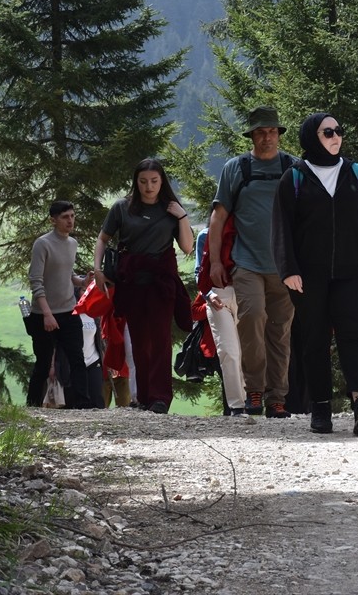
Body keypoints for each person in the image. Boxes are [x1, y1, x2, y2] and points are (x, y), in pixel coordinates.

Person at [272, 113, 358, 436]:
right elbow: (281, 228)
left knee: (353, 334)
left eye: (339, 131)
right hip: (307, 276)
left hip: (353, 273)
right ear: (312, 137)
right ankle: (321, 409)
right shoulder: (295, 177)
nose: (336, 136)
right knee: (314, 339)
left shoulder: (356, 173)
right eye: (328, 132)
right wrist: (288, 270)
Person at [205, 106, 299, 418]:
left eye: (272, 131)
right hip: (246, 262)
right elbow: (217, 219)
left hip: (286, 266)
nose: (267, 137)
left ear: (279, 134)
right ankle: (254, 390)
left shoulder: (293, 167)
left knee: (280, 330)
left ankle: (277, 398)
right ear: (252, 135)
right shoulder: (237, 168)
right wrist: (215, 262)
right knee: (252, 319)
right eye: (261, 132)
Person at [94, 158, 195, 414]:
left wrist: (182, 216)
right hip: (132, 282)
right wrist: (97, 270)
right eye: (143, 182)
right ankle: (145, 397)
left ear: (162, 182)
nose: (149, 187)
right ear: (136, 182)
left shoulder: (171, 208)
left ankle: (160, 397)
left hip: (161, 283)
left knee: (160, 339)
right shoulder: (121, 208)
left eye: (154, 181)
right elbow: (103, 239)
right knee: (139, 341)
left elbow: (187, 247)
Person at [26, 200, 95, 408]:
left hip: (69, 310)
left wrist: (82, 282)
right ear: (53, 220)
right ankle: (33, 405)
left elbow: (67, 274)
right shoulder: (42, 244)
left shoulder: (72, 244)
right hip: (43, 314)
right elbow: (36, 281)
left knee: (77, 358)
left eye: (73, 216)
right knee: (44, 362)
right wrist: (47, 314)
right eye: (65, 217)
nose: (70, 221)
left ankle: (83, 405)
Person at [195, 226, 249, 417]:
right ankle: (237, 406)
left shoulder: (248, 229)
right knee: (228, 350)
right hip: (219, 295)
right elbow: (198, 272)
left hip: (248, 293)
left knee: (249, 350)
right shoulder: (205, 235)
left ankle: (255, 399)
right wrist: (208, 294)